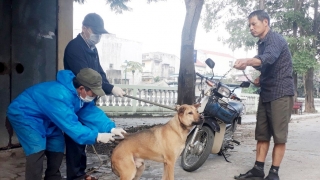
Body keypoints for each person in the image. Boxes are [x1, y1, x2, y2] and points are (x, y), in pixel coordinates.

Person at [6, 68, 126, 180]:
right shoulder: (59, 95)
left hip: (48, 116)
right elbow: (71, 126)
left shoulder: (80, 96)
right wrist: (97, 136)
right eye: (93, 94)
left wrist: (111, 128)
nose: (94, 96)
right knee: (37, 147)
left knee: (57, 144)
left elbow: (91, 112)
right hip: (25, 114)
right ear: (82, 88)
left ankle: (53, 177)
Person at [63, 13, 126, 180]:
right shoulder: (75, 47)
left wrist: (111, 87)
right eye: (95, 32)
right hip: (77, 96)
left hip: (86, 99)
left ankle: (80, 174)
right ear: (84, 28)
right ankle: (76, 176)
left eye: (100, 33)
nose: (98, 36)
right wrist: (105, 88)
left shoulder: (92, 48)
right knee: (76, 137)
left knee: (83, 139)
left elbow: (99, 72)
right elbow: (86, 75)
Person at [233, 10, 294, 180]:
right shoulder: (262, 43)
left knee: (279, 136)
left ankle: (274, 173)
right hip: (266, 92)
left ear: (265, 22)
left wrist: (246, 61)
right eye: (249, 25)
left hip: (281, 93)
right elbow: (266, 64)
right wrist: (259, 75)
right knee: (262, 134)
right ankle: (258, 169)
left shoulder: (275, 39)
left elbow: (267, 58)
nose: (251, 28)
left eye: (254, 24)